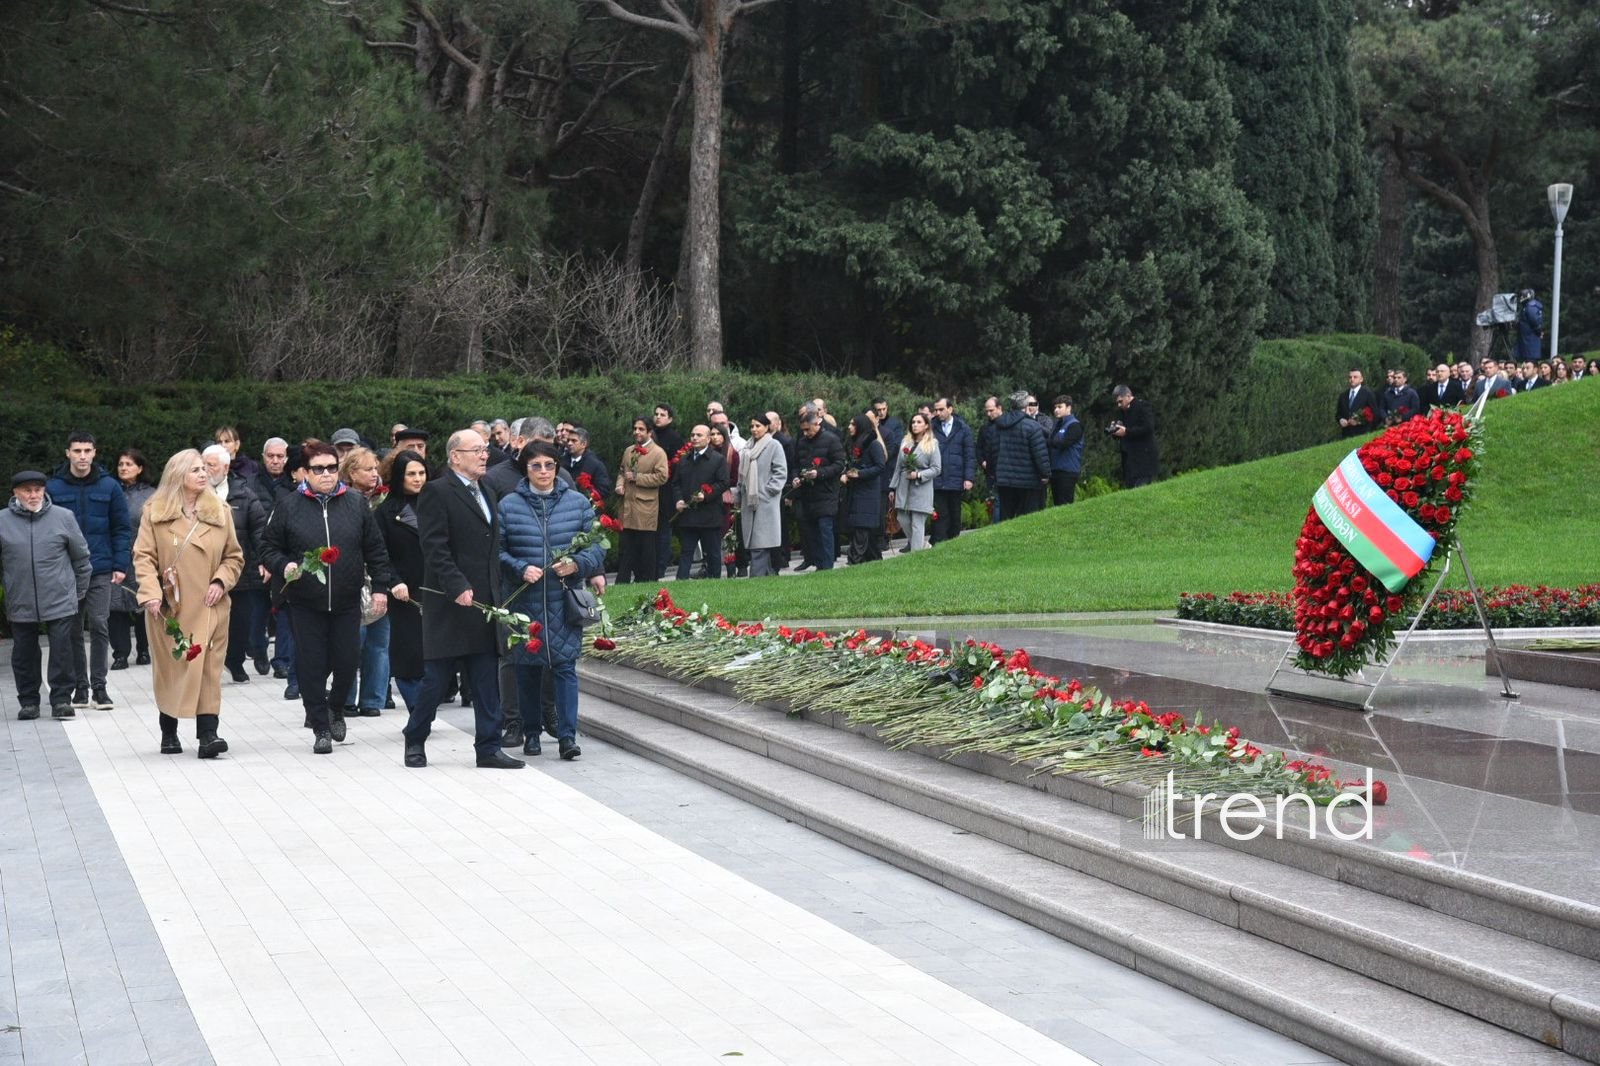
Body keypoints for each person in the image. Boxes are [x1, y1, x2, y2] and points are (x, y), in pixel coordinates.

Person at [260, 440, 392, 755]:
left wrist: (380, 588)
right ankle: (320, 726)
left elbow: (375, 549)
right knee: (311, 664)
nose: (326, 474)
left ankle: (334, 707)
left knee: (347, 661)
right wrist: (284, 564)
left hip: (346, 599)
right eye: (318, 469)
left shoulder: (355, 503)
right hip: (305, 600)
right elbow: (268, 547)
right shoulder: (289, 505)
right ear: (305, 472)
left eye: (332, 468)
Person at [402, 429, 519, 769]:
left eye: (485, 449)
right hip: (450, 603)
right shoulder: (437, 492)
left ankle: (488, 748)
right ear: (455, 456)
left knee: (485, 680)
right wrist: (456, 585)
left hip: (485, 603)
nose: (485, 455)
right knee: (436, 681)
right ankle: (415, 736)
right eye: (477, 450)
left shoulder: (487, 490)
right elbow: (434, 547)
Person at [497, 442, 609, 761]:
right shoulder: (509, 505)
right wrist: (520, 568)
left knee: (564, 667)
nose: (544, 471)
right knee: (527, 668)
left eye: (549, 465)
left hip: (563, 599)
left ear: (558, 467)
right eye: (536, 466)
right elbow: (496, 549)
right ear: (526, 469)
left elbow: (597, 545)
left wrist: (577, 564)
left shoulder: (577, 503)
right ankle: (531, 732)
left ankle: (567, 736)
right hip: (525, 600)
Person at [133, 450, 246, 757]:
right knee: (172, 667)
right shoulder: (154, 512)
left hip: (210, 606)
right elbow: (143, 557)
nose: (202, 474)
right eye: (195, 469)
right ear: (177, 475)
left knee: (208, 668)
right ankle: (168, 732)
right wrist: (150, 592)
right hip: (169, 607)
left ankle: (208, 735)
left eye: (203, 469)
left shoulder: (220, 512)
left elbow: (234, 556)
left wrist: (221, 581)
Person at [47, 431, 132, 711]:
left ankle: (99, 686)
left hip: (100, 568)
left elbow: (121, 528)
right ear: (67, 453)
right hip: (66, 571)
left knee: (99, 624)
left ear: (95, 452)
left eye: (87, 450)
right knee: (72, 629)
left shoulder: (109, 487)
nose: (82, 456)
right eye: (77, 451)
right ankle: (79, 688)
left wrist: (121, 564)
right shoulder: (54, 488)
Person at [1, 471, 91, 721]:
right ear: (15, 493)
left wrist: (77, 592)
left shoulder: (63, 517)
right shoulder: (2, 520)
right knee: (23, 653)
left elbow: (82, 559)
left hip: (60, 598)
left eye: (38, 490)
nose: (33, 495)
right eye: (27, 490)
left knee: (62, 650)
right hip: (20, 599)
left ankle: (61, 699)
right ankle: (29, 701)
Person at [201, 445, 269, 685]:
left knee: (240, 620)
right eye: (203, 464)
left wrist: (264, 560)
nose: (206, 470)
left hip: (239, 567)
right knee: (205, 618)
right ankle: (204, 664)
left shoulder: (244, 493)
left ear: (226, 467)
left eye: (211, 465)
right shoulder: (193, 492)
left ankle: (235, 660)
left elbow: (259, 529)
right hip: (202, 569)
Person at [375, 449, 429, 713]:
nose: (418, 479)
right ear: (400, 477)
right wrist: (393, 581)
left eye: (421, 473)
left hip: (437, 588)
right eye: (411, 474)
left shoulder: (437, 506)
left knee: (435, 655)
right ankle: (419, 711)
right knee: (408, 655)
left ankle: (424, 710)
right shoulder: (386, 512)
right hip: (405, 591)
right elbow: (379, 553)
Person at [339, 446, 391, 718]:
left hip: (380, 577)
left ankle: (372, 700)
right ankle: (346, 698)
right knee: (352, 642)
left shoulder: (384, 500)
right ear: (351, 472)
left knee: (379, 643)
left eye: (375, 468)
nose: (374, 473)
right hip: (351, 580)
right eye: (368, 469)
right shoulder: (341, 500)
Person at [109, 448, 155, 669]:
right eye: (121, 464)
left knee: (144, 604)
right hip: (116, 555)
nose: (124, 468)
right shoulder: (110, 491)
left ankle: (144, 650)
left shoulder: (151, 495)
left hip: (143, 555)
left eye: (128, 464)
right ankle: (120, 654)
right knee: (116, 607)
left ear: (140, 468)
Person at [672, 424, 731, 581]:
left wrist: (707, 494)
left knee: (712, 552)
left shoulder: (717, 459)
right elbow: (676, 483)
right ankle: (681, 581)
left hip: (709, 514)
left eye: (699, 435)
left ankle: (714, 581)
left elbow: (723, 482)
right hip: (689, 514)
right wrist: (678, 499)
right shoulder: (684, 460)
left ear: (708, 438)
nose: (695, 438)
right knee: (686, 551)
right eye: (692, 435)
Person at [614, 417, 669, 584]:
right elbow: (622, 471)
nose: (636, 432)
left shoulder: (658, 453)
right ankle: (622, 580)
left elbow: (662, 477)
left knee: (646, 548)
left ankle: (647, 580)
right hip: (628, 506)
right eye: (635, 428)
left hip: (645, 506)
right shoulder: (629, 450)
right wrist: (619, 484)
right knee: (626, 547)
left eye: (641, 429)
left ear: (649, 432)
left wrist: (638, 478)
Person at [791, 413, 846, 571]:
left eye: (808, 429)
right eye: (803, 430)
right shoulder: (801, 442)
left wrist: (820, 473)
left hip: (826, 493)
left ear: (817, 424)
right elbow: (796, 464)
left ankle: (827, 566)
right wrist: (795, 478)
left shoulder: (831, 440)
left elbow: (839, 464)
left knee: (825, 530)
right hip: (807, 494)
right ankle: (818, 564)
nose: (805, 433)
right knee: (812, 533)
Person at [734, 415, 788, 576]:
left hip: (765, 502)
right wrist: (739, 494)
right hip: (748, 502)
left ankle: (756, 578)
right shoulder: (747, 447)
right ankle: (768, 575)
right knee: (754, 544)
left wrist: (768, 491)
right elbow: (741, 475)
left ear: (766, 427)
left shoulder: (774, 445)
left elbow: (781, 472)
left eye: (758, 426)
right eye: (752, 426)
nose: (754, 429)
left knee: (761, 544)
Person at [990, 390, 1051, 521]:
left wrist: (994, 473)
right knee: (1028, 519)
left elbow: (993, 452)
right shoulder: (1032, 426)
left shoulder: (998, 425)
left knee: (1006, 518)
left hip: (1004, 479)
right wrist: (1045, 474)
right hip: (1028, 481)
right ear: (1026, 406)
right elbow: (1039, 453)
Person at [887, 412, 941, 552]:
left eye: (919, 422)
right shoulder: (906, 442)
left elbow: (936, 469)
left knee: (917, 523)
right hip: (904, 487)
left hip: (921, 488)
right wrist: (892, 488)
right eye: (913, 422)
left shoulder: (932, 444)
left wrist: (918, 474)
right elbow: (898, 466)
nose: (915, 425)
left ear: (926, 426)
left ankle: (916, 555)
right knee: (902, 518)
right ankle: (921, 544)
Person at [841, 414, 887, 565]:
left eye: (853, 424)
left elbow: (880, 466)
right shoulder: (853, 443)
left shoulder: (873, 444)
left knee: (862, 526)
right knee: (862, 528)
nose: (849, 427)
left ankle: (854, 560)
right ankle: (874, 559)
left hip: (868, 492)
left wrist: (860, 474)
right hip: (856, 490)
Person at [928, 397, 975, 544]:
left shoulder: (962, 428)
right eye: (936, 410)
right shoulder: (931, 428)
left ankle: (952, 542)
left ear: (950, 409)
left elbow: (969, 454)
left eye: (941, 409)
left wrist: (969, 478)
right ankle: (939, 543)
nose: (938, 413)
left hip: (956, 478)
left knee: (955, 515)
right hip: (937, 479)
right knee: (941, 515)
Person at [651, 404, 684, 578]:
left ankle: (661, 566)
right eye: (656, 414)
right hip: (650, 490)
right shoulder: (650, 435)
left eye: (662, 414)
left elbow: (677, 466)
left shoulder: (674, 438)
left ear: (670, 418)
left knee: (663, 530)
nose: (658, 417)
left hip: (666, 490)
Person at [1111, 385, 1160, 488]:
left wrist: (1127, 432)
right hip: (1129, 459)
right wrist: (1115, 431)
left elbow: (1148, 428)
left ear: (1128, 396)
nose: (1119, 405)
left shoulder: (1142, 407)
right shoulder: (1122, 412)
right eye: (1117, 403)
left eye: (1121, 401)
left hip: (1143, 457)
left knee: (1140, 488)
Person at [1047, 397, 1084, 505]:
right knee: (1057, 503)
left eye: (1060, 407)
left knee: (1065, 504)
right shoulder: (1057, 425)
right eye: (1055, 407)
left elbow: (1064, 443)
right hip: (1055, 469)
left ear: (1068, 408)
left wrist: (1047, 442)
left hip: (1068, 471)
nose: (1056, 410)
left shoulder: (1075, 425)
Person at [1335, 370, 1379, 437]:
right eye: (1350, 377)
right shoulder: (1343, 395)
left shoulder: (1368, 394)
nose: (1352, 379)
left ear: (1361, 379)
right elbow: (1338, 414)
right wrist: (1340, 420)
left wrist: (1359, 421)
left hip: (1363, 433)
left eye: (1355, 377)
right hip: (1346, 434)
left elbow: (1375, 414)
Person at [1516, 289, 1544, 363]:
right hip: (1527, 337)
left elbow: (1534, 321)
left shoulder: (1530, 307)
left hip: (1530, 338)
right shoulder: (1527, 306)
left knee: (1531, 359)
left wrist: (1539, 331)